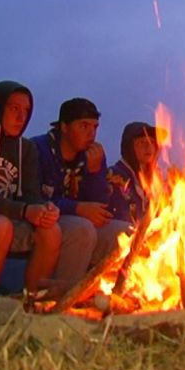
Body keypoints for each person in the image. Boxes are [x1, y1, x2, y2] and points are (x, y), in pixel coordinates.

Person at [0, 81, 62, 296]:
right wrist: (22, 211)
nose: (21, 118)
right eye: (14, 109)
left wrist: (44, 208)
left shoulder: (27, 148)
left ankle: (32, 300)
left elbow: (31, 193)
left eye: (26, 111)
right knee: (1, 225)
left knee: (51, 230)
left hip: (12, 217)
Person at [33, 98, 130, 281]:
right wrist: (77, 208)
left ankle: (107, 295)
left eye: (95, 127)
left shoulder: (93, 155)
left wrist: (94, 173)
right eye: (84, 126)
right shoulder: (39, 149)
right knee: (83, 229)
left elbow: (99, 205)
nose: (91, 134)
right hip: (46, 219)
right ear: (64, 127)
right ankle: (64, 295)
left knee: (125, 232)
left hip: (80, 218)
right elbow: (34, 197)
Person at [107, 121, 166, 225]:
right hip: (121, 235)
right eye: (142, 142)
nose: (148, 147)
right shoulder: (113, 176)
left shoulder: (156, 181)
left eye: (152, 142)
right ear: (129, 147)